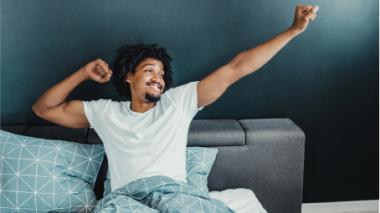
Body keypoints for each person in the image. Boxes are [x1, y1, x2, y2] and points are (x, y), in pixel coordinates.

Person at [32, 4, 318, 207]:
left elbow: (237, 67)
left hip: (174, 195)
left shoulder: (178, 102)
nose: (158, 78)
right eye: (148, 70)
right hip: (126, 199)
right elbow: (44, 109)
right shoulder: (105, 111)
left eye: (161, 74)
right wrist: (84, 73)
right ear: (128, 76)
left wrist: (293, 30)